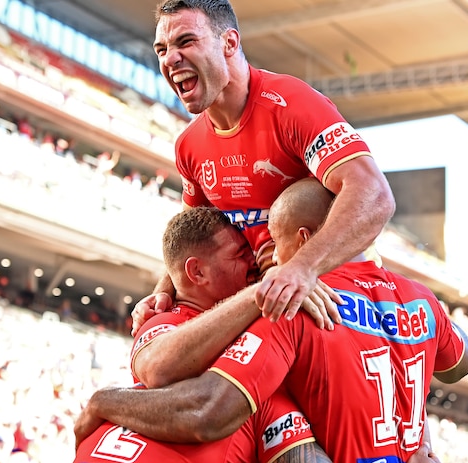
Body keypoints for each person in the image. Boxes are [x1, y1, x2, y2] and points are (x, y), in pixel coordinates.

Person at [80, 178, 468, 463]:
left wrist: (102, 402)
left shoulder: (291, 307)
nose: (267, 263)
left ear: (302, 239)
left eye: (273, 245)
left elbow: (207, 410)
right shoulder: (423, 301)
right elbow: (459, 364)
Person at [132, 0, 396, 329]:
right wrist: (163, 292)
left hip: (333, 298)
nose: (169, 59)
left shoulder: (292, 104)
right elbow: (190, 240)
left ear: (229, 43)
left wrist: (301, 267)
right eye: (161, 49)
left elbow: (374, 195)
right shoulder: (189, 145)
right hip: (262, 300)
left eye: (186, 41)